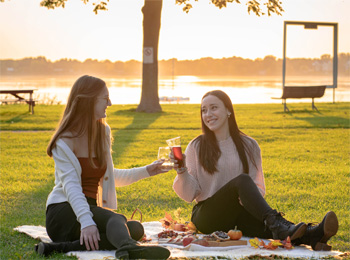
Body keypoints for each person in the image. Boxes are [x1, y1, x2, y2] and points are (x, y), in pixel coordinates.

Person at [172, 90, 338, 251]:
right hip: (208, 217)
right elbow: (188, 195)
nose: (208, 114)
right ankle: (279, 224)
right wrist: (182, 171)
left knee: (270, 228)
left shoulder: (249, 145)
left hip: (240, 214)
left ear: (228, 110)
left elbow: (258, 189)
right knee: (242, 181)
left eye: (214, 108)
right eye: (204, 110)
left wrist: (244, 201)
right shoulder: (197, 146)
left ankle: (312, 236)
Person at [35, 75, 170, 259]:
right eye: (105, 99)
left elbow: (109, 176)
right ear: (88, 100)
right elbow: (71, 186)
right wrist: (86, 221)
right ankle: (131, 248)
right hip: (64, 211)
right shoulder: (64, 140)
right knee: (117, 219)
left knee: (134, 229)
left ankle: (60, 247)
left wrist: (148, 170)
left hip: (89, 209)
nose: (110, 103)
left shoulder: (102, 132)